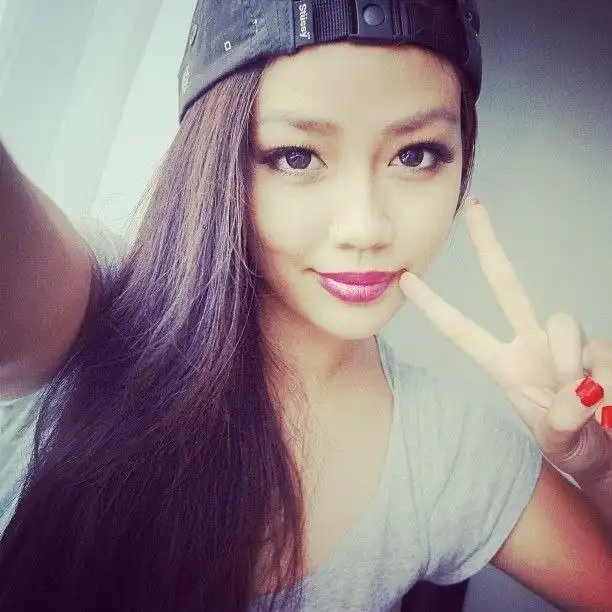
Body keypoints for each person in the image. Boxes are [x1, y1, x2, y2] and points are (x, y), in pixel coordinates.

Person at [0, 0, 610, 610]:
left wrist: (600, 472)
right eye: (298, 157)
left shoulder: (447, 453)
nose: (365, 227)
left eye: (415, 154)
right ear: (220, 161)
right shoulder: (93, 311)